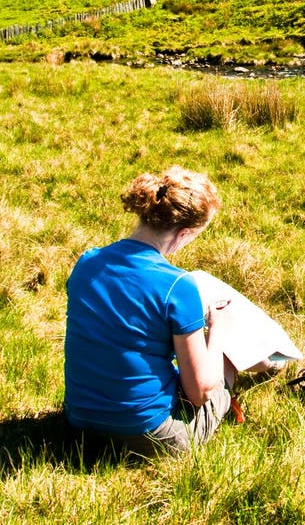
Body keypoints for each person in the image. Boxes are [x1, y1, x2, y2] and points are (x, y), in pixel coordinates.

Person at [64, 164, 235, 456]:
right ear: (183, 234)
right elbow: (198, 392)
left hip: (79, 424)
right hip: (147, 434)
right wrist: (216, 328)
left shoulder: (87, 262)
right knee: (223, 373)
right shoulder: (178, 285)